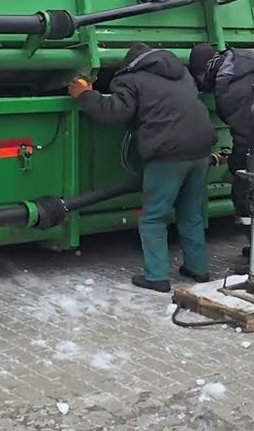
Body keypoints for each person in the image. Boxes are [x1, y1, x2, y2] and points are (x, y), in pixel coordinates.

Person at [67, 43, 217, 293]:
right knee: (191, 213)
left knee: (153, 217)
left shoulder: (129, 79)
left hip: (168, 154)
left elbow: (114, 113)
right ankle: (198, 269)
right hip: (201, 149)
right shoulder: (182, 73)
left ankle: (156, 277)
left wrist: (85, 95)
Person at [188, 43, 254, 275]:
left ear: (205, 72)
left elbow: (245, 136)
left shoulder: (230, 92)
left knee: (243, 196)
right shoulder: (243, 63)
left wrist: (234, 167)